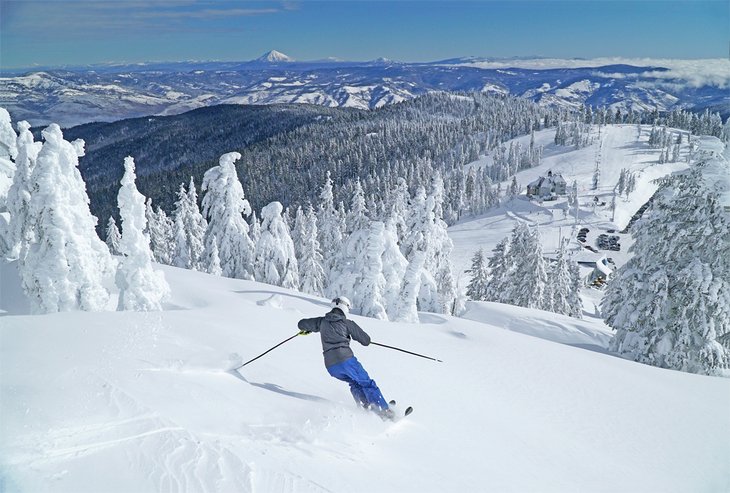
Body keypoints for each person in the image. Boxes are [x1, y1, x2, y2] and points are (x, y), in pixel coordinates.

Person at [298, 296, 394, 420]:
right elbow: (365, 340)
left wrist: (309, 329)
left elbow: (301, 324)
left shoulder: (321, 322)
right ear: (345, 308)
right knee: (366, 382)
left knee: (354, 382)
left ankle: (366, 407)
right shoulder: (347, 323)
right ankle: (383, 410)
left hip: (331, 366)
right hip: (346, 360)